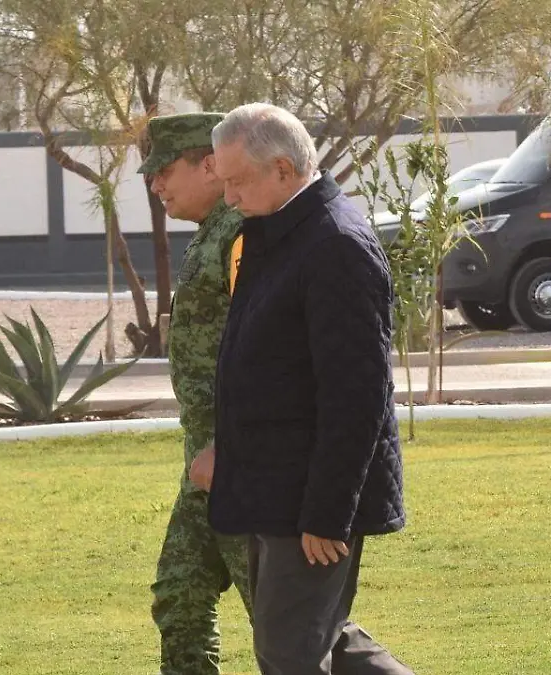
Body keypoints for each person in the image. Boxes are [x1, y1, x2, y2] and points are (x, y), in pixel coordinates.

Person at [189, 102, 414, 675]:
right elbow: (268, 371)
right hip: (273, 487)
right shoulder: (277, 233)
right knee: (322, 641)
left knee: (289, 653)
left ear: (283, 169)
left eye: (237, 181)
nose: (229, 197)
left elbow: (356, 397)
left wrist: (327, 515)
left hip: (309, 500)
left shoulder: (336, 244)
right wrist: (228, 452)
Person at [137, 112, 252, 675]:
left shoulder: (241, 233)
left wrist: (230, 445)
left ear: (209, 165)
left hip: (243, 460)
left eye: (164, 170)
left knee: (288, 618)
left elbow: (266, 352)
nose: (156, 184)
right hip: (206, 459)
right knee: (180, 590)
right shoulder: (211, 232)